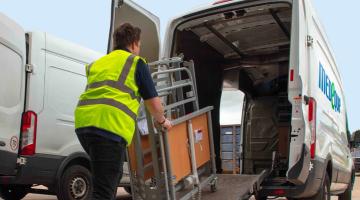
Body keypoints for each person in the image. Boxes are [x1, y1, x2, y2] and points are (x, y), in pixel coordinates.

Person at [74, 23, 172, 200]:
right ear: (134, 43)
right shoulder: (136, 63)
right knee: (103, 192)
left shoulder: (99, 63)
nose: (139, 49)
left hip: (84, 124)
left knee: (110, 177)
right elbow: (154, 104)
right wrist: (163, 121)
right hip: (108, 127)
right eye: (139, 45)